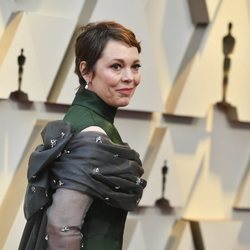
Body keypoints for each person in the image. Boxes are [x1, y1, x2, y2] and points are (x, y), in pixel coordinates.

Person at [19, 21, 146, 250]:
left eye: (135, 66)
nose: (130, 77)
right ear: (85, 70)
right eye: (116, 66)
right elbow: (62, 228)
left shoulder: (79, 117)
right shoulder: (93, 131)